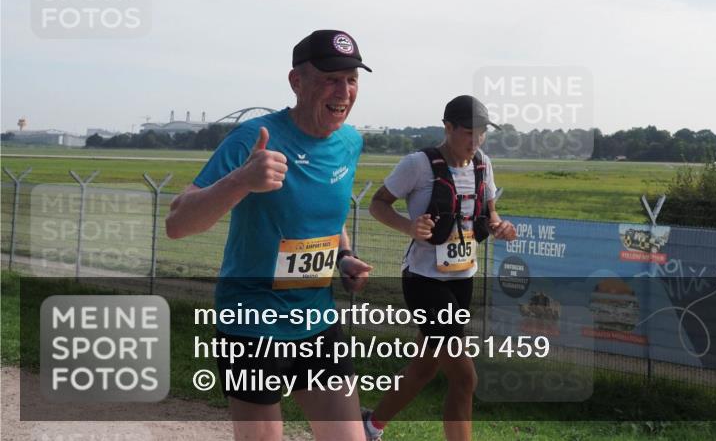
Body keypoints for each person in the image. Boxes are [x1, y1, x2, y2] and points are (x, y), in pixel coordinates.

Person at [165, 29, 375, 441]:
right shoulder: (254, 137)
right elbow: (177, 223)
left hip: (317, 320)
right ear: (297, 81)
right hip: (251, 323)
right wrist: (241, 180)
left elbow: (327, 217)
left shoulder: (350, 142)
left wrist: (343, 255)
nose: (343, 91)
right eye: (331, 78)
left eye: (352, 79)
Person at [363, 95, 517, 441]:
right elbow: (377, 204)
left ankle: (371, 426)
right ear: (448, 128)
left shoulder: (483, 164)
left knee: (423, 368)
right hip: (424, 282)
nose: (475, 141)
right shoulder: (418, 164)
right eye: (468, 133)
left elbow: (489, 213)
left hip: (463, 280)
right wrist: (409, 227)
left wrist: (499, 226)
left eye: (482, 134)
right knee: (465, 378)